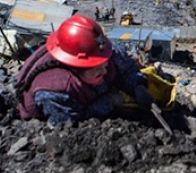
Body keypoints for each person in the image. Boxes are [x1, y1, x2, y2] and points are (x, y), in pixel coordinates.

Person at [15, 14, 155, 126]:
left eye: (104, 65)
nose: (104, 71)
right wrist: (110, 101)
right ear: (76, 67)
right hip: (61, 111)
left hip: (89, 91)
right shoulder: (54, 91)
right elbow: (72, 121)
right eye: (97, 69)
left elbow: (125, 67)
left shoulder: (100, 50)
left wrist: (138, 86)